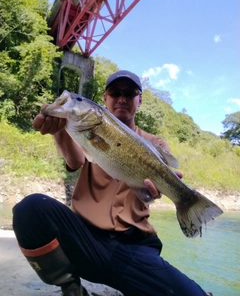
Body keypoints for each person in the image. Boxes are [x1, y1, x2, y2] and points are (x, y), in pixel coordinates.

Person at [12, 70, 213, 296]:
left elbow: (163, 174)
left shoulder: (155, 143)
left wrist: (168, 188)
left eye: (129, 93)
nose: (122, 99)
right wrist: (59, 130)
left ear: (140, 99)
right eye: (115, 93)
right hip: (84, 241)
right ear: (105, 98)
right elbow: (75, 160)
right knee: (30, 208)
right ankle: (71, 288)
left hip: (134, 249)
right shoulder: (85, 128)